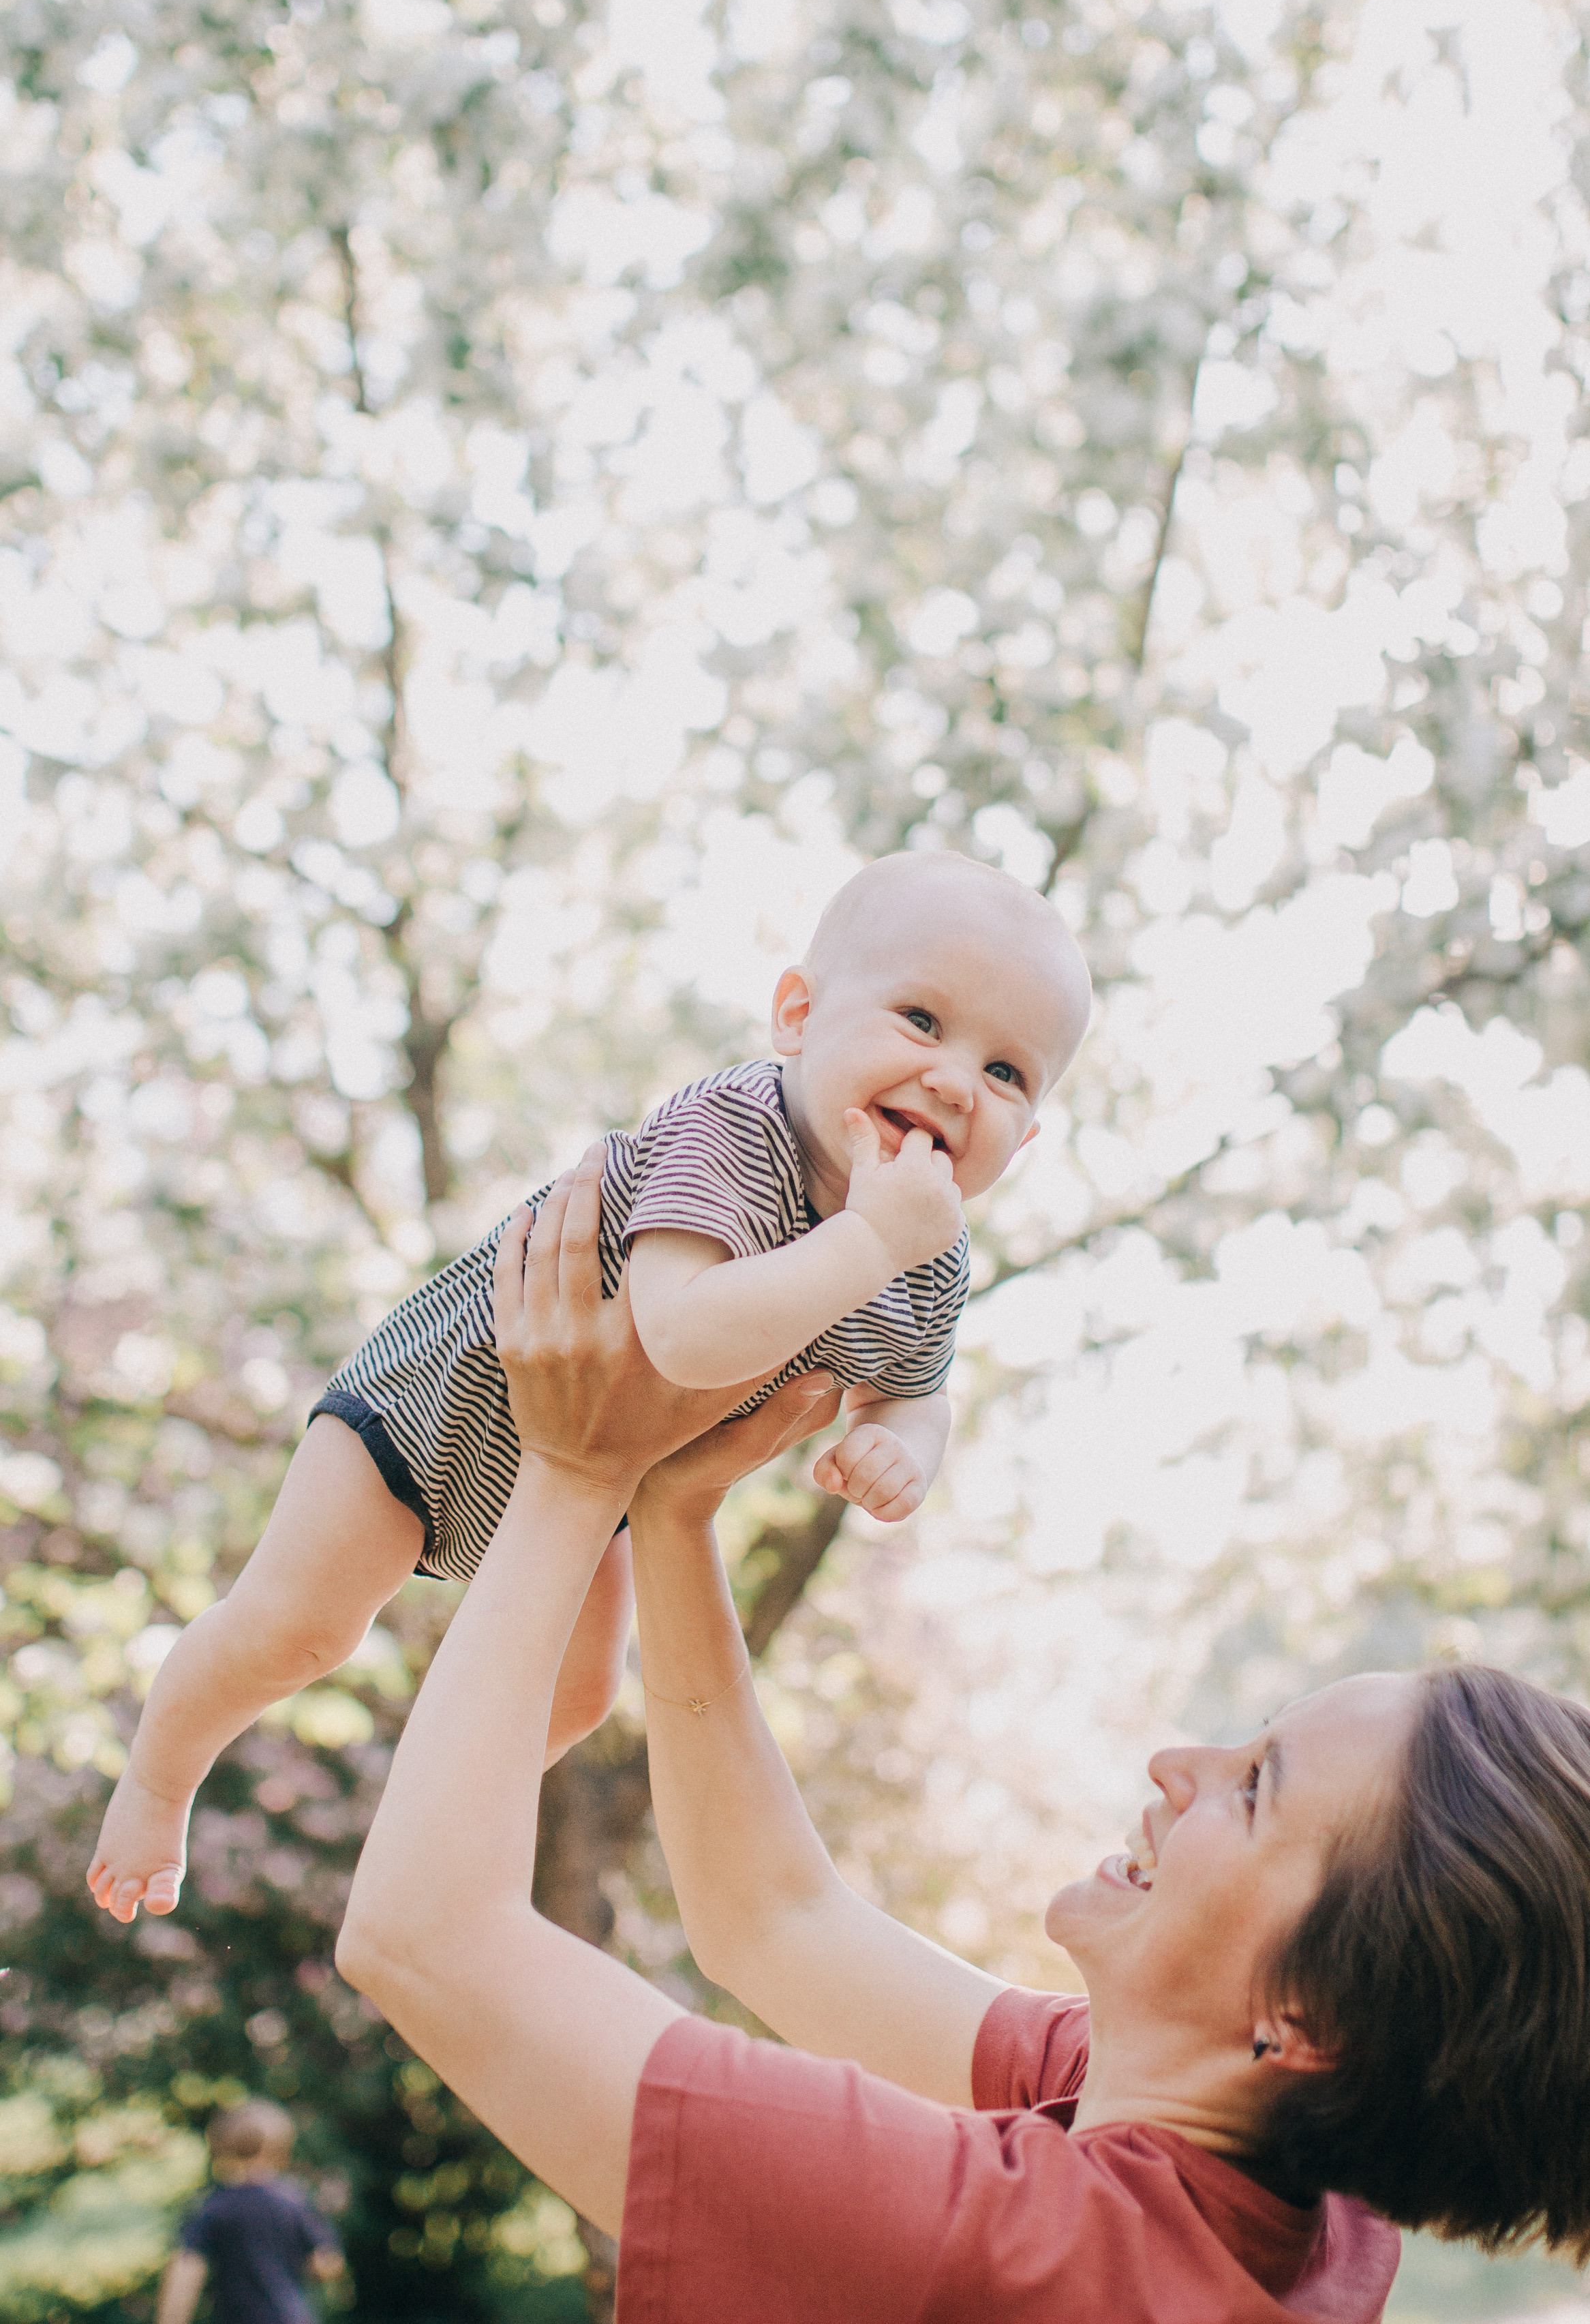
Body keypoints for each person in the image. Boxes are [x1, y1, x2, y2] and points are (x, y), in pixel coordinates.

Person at [333, 1153, 1590, 2322]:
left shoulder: (1001, 2250)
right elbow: (774, 1925)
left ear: (1304, 2020)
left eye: (1253, 1789)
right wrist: (673, 1515)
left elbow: (426, 1936)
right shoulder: (1292, 2184)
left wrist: (567, 1471)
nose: (1177, 1764)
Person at [89, 849, 1090, 1924]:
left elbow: (914, 1382)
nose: (952, 1080)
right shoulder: (739, 1130)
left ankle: (427, 1813)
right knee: (299, 1629)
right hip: (431, 1409)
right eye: (921, 1020)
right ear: (796, 1015)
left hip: (595, 1479)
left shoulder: (927, 1250)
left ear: (1023, 1141)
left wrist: (905, 1444)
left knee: (580, 1693)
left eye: (1004, 1073)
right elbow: (685, 1337)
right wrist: (870, 1243)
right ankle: (159, 1779)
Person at [156, 2100, 343, 2324]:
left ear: (220, 2145)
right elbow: (328, 2264)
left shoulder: (214, 2205)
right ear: (282, 2148)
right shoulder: (294, 2200)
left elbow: (185, 2274)